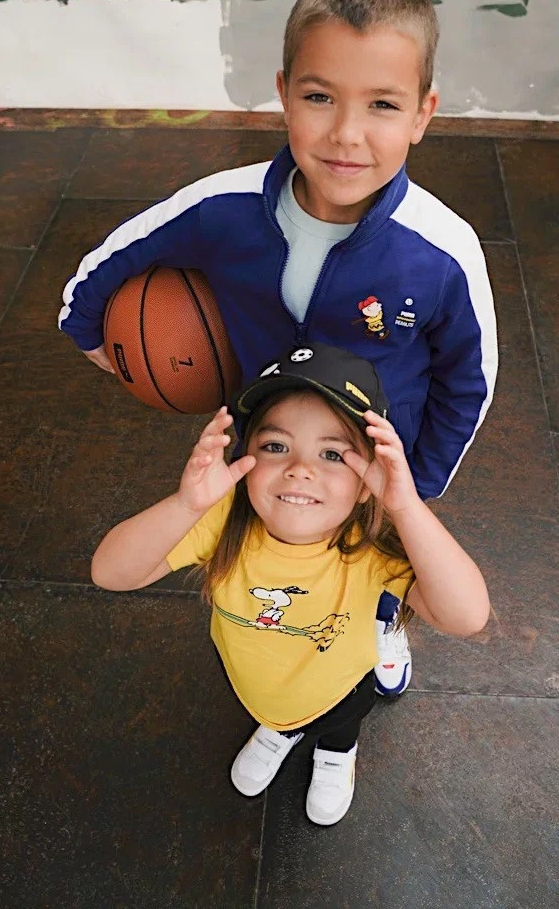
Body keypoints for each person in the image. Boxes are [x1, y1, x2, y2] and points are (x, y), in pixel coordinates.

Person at [59, 0, 498, 696]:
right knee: (259, 549)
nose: (346, 134)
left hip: (366, 461)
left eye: (383, 106)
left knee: (380, 572)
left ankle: (380, 633)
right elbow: (102, 269)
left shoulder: (440, 250)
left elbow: (469, 379)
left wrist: (413, 488)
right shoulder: (221, 206)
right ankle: (267, 655)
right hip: (266, 438)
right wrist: (101, 342)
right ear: (283, 97)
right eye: (320, 96)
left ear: (424, 113)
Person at [91, 344, 490, 826]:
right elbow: (111, 573)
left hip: (341, 686)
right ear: (244, 461)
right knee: (275, 710)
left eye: (332, 454)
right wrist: (185, 505)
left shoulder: (372, 550)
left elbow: (467, 616)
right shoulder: (220, 520)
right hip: (251, 675)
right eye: (276, 446)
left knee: (339, 726)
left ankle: (337, 755)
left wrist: (405, 507)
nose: (300, 469)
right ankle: (279, 730)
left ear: (367, 481)